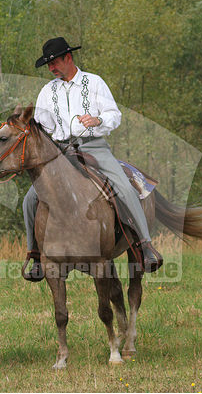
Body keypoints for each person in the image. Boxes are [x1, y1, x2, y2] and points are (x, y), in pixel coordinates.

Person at [23, 37, 163, 281]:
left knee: (125, 189)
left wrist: (98, 120)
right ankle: (35, 256)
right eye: (48, 65)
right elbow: (44, 126)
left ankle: (145, 246)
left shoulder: (94, 82)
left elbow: (114, 115)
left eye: (54, 62)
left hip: (94, 147)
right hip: (61, 153)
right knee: (30, 199)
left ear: (68, 58)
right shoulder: (47, 91)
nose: (51, 69)